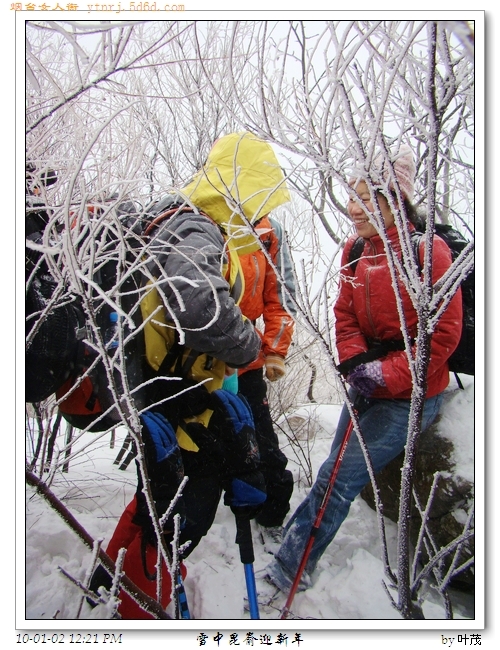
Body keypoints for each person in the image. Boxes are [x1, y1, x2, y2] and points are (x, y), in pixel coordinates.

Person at [89, 131, 292, 617]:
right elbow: (198, 304)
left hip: (163, 391)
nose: (254, 211)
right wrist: (247, 344)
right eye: (254, 196)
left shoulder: (179, 219)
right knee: (186, 510)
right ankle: (138, 607)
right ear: (236, 186)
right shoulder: (196, 226)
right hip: (176, 398)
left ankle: (109, 576)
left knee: (158, 493)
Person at [264, 144, 463, 595]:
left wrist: (386, 375)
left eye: (366, 199)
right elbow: (344, 313)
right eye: (351, 197)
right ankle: (293, 551)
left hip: (412, 394)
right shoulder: (356, 250)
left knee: (337, 479)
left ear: (396, 200)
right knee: (332, 473)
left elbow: (442, 336)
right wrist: (356, 363)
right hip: (366, 383)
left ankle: (288, 574)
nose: (353, 208)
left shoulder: (426, 251)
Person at [237, 215, 296, 551]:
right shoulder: (198, 213)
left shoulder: (269, 231)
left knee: (262, 442)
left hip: (246, 360)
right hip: (196, 363)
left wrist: (275, 350)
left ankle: (272, 515)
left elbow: (281, 297)